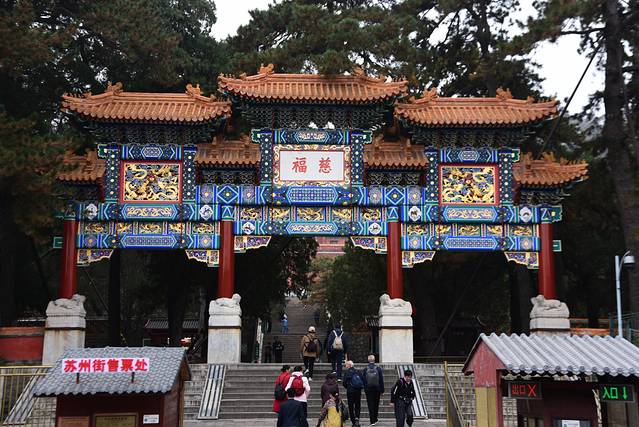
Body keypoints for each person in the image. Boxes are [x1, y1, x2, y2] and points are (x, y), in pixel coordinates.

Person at [362, 355, 384, 426]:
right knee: (376, 404)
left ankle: (372, 421)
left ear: (368, 360)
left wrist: (365, 388)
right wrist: (382, 390)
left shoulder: (365, 369)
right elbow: (381, 380)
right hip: (377, 389)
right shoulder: (378, 368)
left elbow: (364, 380)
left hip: (368, 389)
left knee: (370, 404)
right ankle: (375, 418)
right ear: (374, 360)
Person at [342, 360, 364, 426]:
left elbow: (344, 383)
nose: (346, 366)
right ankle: (357, 418)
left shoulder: (347, 372)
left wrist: (348, 387)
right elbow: (362, 380)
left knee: (351, 406)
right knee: (357, 405)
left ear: (349, 365)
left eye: (346, 365)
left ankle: (353, 421)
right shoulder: (358, 372)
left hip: (350, 391)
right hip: (358, 391)